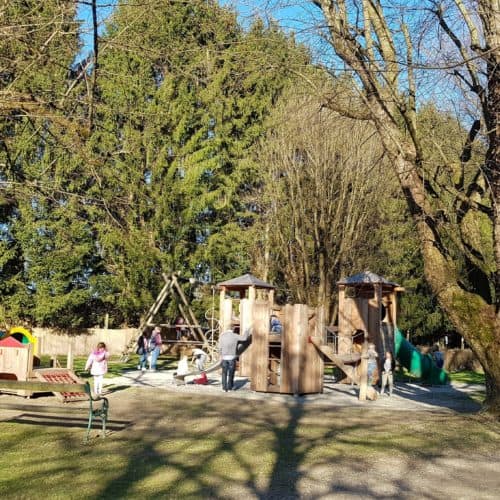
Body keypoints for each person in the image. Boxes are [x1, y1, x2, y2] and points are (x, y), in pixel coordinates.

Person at [219, 325, 249, 392]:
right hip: (232, 357)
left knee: (224, 373)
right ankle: (230, 388)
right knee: (231, 373)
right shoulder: (234, 335)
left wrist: (221, 355)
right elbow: (244, 338)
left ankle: (224, 388)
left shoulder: (222, 336)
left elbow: (219, 347)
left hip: (224, 357)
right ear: (233, 329)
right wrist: (247, 330)